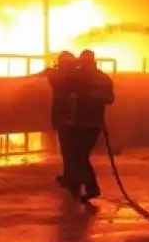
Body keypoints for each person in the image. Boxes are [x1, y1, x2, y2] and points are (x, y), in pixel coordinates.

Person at [69, 49, 115, 203]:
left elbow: (64, 85)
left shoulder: (80, 77)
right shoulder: (103, 78)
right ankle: (81, 184)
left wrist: (91, 95)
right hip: (91, 123)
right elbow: (110, 99)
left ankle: (91, 187)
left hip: (84, 123)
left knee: (79, 157)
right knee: (78, 156)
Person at [37, 51, 78, 189]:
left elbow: (48, 80)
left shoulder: (58, 76)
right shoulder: (78, 76)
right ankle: (71, 176)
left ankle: (71, 177)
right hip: (76, 116)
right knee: (72, 149)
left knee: (68, 149)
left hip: (65, 116)